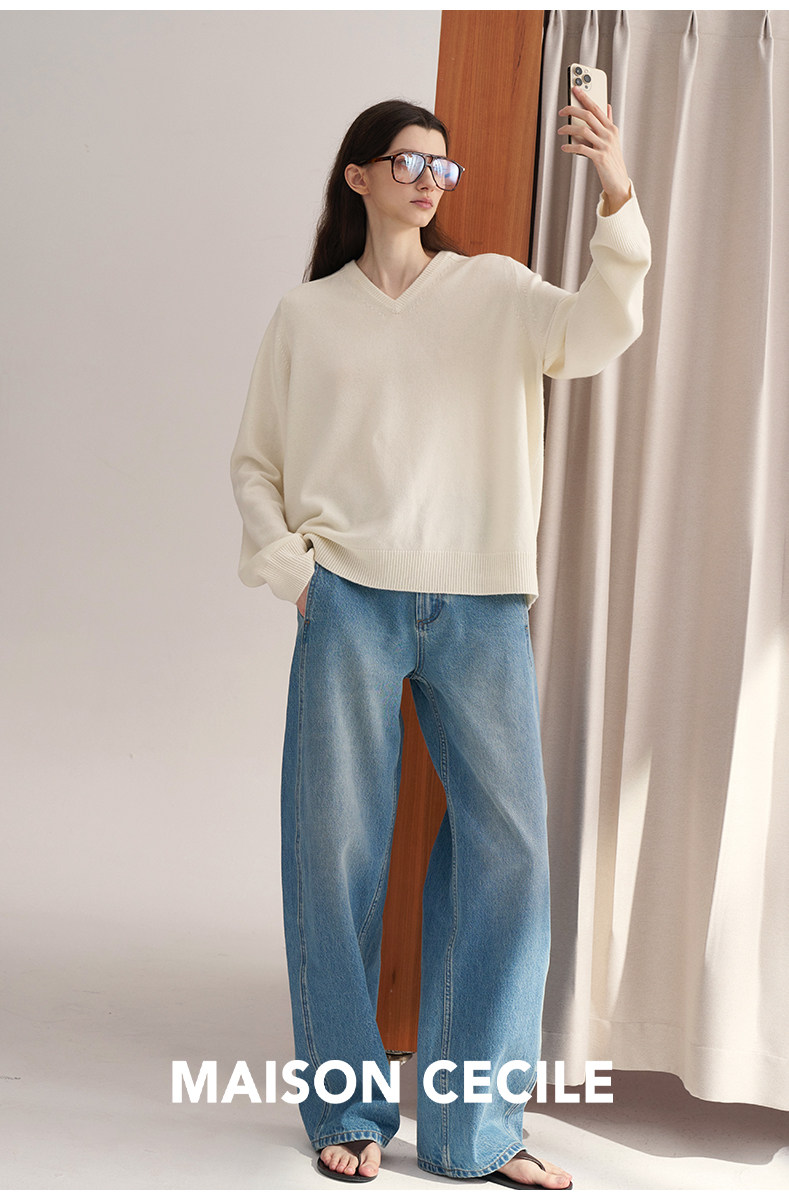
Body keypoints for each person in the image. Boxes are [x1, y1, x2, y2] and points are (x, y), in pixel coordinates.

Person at [230, 91, 650, 1188]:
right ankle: (346, 1110)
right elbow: (256, 464)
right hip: (347, 603)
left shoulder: (495, 291)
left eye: (442, 167)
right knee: (334, 853)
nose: (429, 181)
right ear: (359, 176)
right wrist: (297, 574)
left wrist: (615, 188)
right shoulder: (307, 315)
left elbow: (600, 330)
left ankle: (476, 1131)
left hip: (481, 603)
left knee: (510, 854)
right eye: (408, 162)